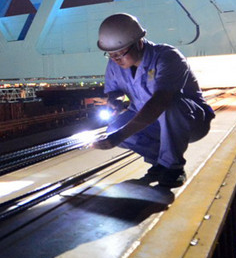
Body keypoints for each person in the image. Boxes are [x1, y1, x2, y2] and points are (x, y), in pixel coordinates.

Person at [90, 13, 215, 187]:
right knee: (114, 128)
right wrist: (115, 99)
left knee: (169, 107)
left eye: (120, 52)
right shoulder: (114, 65)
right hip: (152, 122)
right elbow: (113, 91)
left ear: (139, 43)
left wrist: (120, 136)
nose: (116, 59)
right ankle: (160, 163)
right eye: (110, 54)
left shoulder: (168, 57)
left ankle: (173, 168)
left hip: (190, 122)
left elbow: (160, 101)